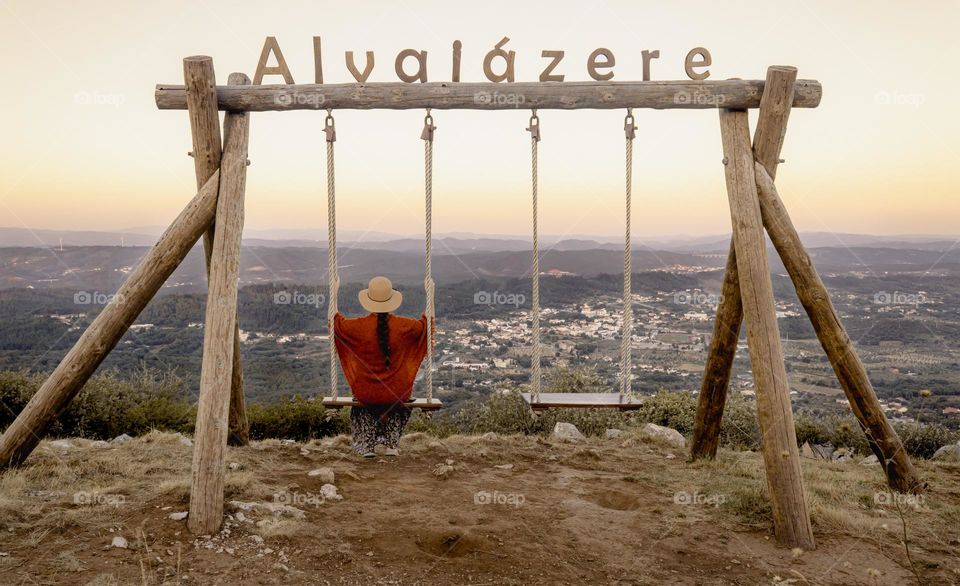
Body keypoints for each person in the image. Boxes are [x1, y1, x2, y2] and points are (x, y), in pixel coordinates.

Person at [333, 276, 430, 458]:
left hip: (366, 392)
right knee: (402, 401)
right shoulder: (405, 326)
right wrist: (430, 296)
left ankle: (367, 445)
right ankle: (391, 443)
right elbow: (426, 328)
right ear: (391, 300)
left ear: (368, 300)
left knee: (362, 403)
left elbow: (336, 324)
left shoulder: (357, 327)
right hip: (396, 392)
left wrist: (334, 292)